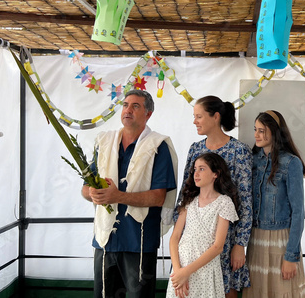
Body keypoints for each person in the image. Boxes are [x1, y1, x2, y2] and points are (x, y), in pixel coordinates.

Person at [81, 89, 178, 298]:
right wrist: (92, 193)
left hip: (139, 241)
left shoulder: (158, 146)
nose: (128, 110)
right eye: (125, 105)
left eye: (136, 106)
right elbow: (85, 189)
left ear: (148, 114)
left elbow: (159, 197)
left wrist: (117, 197)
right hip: (105, 240)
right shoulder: (104, 143)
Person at [175, 95, 252, 298]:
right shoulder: (195, 150)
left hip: (225, 240)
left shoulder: (240, 151)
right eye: (194, 116)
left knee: (226, 290)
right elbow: (186, 192)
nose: (194, 121)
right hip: (194, 242)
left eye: (199, 116)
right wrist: (181, 236)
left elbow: (245, 201)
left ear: (215, 117)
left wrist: (240, 244)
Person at [243, 110, 305, 298]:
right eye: (255, 129)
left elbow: (298, 212)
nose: (256, 135)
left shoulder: (291, 163)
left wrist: (291, 256)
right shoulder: (252, 160)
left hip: (282, 240)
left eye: (262, 130)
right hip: (255, 240)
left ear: (275, 131)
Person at [167, 152, 239, 298]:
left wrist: (186, 272)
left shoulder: (224, 203)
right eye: (195, 169)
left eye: (202, 169)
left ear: (216, 174)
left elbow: (218, 246)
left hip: (205, 269)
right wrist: (178, 271)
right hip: (181, 266)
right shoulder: (188, 201)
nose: (196, 173)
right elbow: (174, 238)